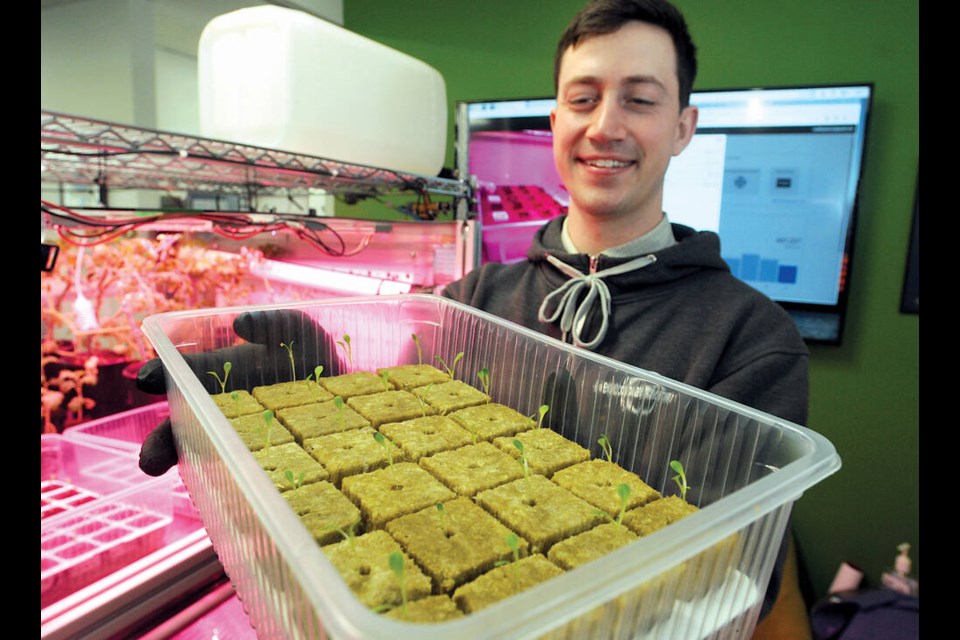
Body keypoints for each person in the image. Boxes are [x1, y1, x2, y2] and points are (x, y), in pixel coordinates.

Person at [137, 0, 809, 633]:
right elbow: (395, 456)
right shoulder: (471, 300)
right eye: (584, 99)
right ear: (555, 123)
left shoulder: (750, 341)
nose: (605, 125)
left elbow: (722, 583)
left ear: (683, 127)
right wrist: (319, 395)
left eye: (640, 99)